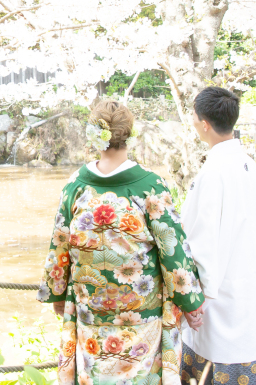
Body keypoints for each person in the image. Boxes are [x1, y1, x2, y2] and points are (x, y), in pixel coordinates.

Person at [37, 99, 205, 385]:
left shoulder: (76, 186)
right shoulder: (149, 185)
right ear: (130, 134)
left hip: (91, 311)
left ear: (94, 136)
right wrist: (190, 300)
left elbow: (60, 243)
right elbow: (172, 248)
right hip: (141, 315)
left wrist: (57, 292)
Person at [179, 87, 256, 385]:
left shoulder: (215, 172)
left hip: (219, 300)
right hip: (249, 286)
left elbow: (202, 243)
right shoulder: (248, 165)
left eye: (194, 114)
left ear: (205, 123)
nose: (192, 119)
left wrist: (192, 300)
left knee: (216, 365)